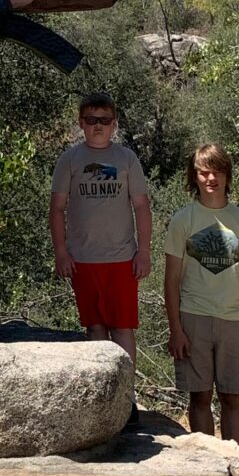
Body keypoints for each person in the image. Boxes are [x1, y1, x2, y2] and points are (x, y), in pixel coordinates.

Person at [50, 93, 153, 417]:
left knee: (123, 328)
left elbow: (141, 206)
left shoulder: (126, 159)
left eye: (104, 120)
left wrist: (144, 251)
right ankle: (102, 399)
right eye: (91, 119)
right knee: (95, 327)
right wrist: (61, 252)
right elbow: (57, 208)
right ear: (81, 123)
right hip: (83, 259)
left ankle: (126, 399)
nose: (98, 126)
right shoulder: (69, 160)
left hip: (122, 258)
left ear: (114, 125)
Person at [162, 142, 239, 446]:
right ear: (194, 177)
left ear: (227, 175)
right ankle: (207, 466)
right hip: (194, 318)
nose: (211, 179)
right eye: (204, 172)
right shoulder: (183, 220)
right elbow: (171, 279)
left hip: (235, 319)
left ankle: (235, 466)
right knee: (200, 396)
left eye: (217, 172)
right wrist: (176, 330)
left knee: (232, 397)